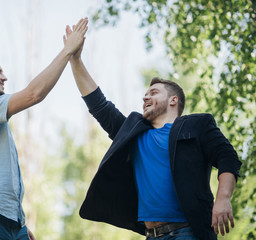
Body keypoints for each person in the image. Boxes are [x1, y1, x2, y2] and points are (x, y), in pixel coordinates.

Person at [66, 28, 242, 239]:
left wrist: (223, 197)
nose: (145, 98)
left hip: (189, 233)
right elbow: (99, 104)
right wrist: (74, 59)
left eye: (154, 93)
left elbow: (227, 157)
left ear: (173, 100)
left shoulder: (197, 125)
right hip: (152, 235)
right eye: (145, 94)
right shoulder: (134, 133)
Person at [0, 18, 88, 240]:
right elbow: (34, 94)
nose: (4, 77)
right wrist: (67, 51)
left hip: (9, 221)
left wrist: (18, 223)